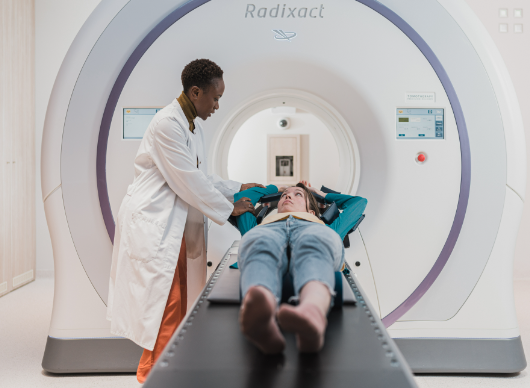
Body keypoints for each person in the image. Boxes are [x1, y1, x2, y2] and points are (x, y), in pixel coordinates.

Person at [106, 59, 263, 383]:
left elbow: (199, 176)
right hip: (152, 222)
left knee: (173, 301)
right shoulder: (167, 124)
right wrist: (229, 207)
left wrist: (236, 187)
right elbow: (188, 180)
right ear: (195, 92)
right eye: (215, 98)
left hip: (170, 226)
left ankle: (159, 371)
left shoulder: (191, 126)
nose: (218, 105)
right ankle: (155, 375)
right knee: (166, 303)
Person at [234, 181, 367, 354]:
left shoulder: (323, 226)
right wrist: (276, 188)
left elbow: (359, 203)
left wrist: (319, 193)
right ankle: (262, 315)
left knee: (314, 246)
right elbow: (242, 198)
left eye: (298, 194)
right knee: (261, 246)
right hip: (269, 232)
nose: (288, 196)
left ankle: (312, 313)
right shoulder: (259, 227)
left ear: (312, 211)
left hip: (310, 230)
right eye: (284, 196)